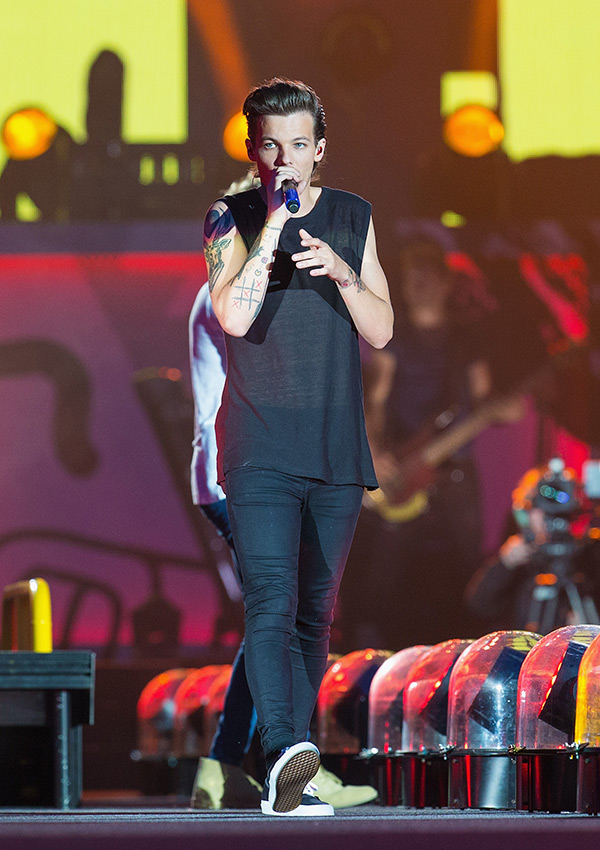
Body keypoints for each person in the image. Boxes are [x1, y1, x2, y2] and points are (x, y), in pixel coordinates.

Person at [203, 78, 393, 816]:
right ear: (254, 152)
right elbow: (232, 316)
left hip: (333, 442)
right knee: (271, 602)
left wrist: (342, 271)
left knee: (317, 611)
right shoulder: (230, 218)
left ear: (320, 150)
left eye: (298, 145)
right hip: (259, 443)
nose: (284, 159)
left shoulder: (352, 215)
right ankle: (284, 749)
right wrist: (271, 238)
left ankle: (293, 762)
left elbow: (381, 329)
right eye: (270, 147)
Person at [188, 276, 378, 810]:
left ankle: (239, 762)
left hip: (261, 462)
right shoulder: (233, 288)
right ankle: (279, 755)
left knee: (281, 611)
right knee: (277, 608)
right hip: (249, 467)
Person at [341, 240, 518, 651]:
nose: (417, 287)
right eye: (411, 279)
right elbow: (375, 400)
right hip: (403, 465)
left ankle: (471, 649)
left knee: (465, 564)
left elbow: (484, 400)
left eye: (425, 278)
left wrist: (505, 408)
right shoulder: (394, 336)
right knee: (386, 567)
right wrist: (375, 451)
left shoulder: (465, 340)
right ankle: (371, 649)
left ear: (445, 283)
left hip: (454, 468)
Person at [465, 458, 600, 633]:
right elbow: (479, 605)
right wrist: (504, 564)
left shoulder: (586, 555)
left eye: (557, 501)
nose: (548, 513)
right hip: (522, 648)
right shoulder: (519, 559)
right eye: (540, 503)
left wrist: (587, 630)